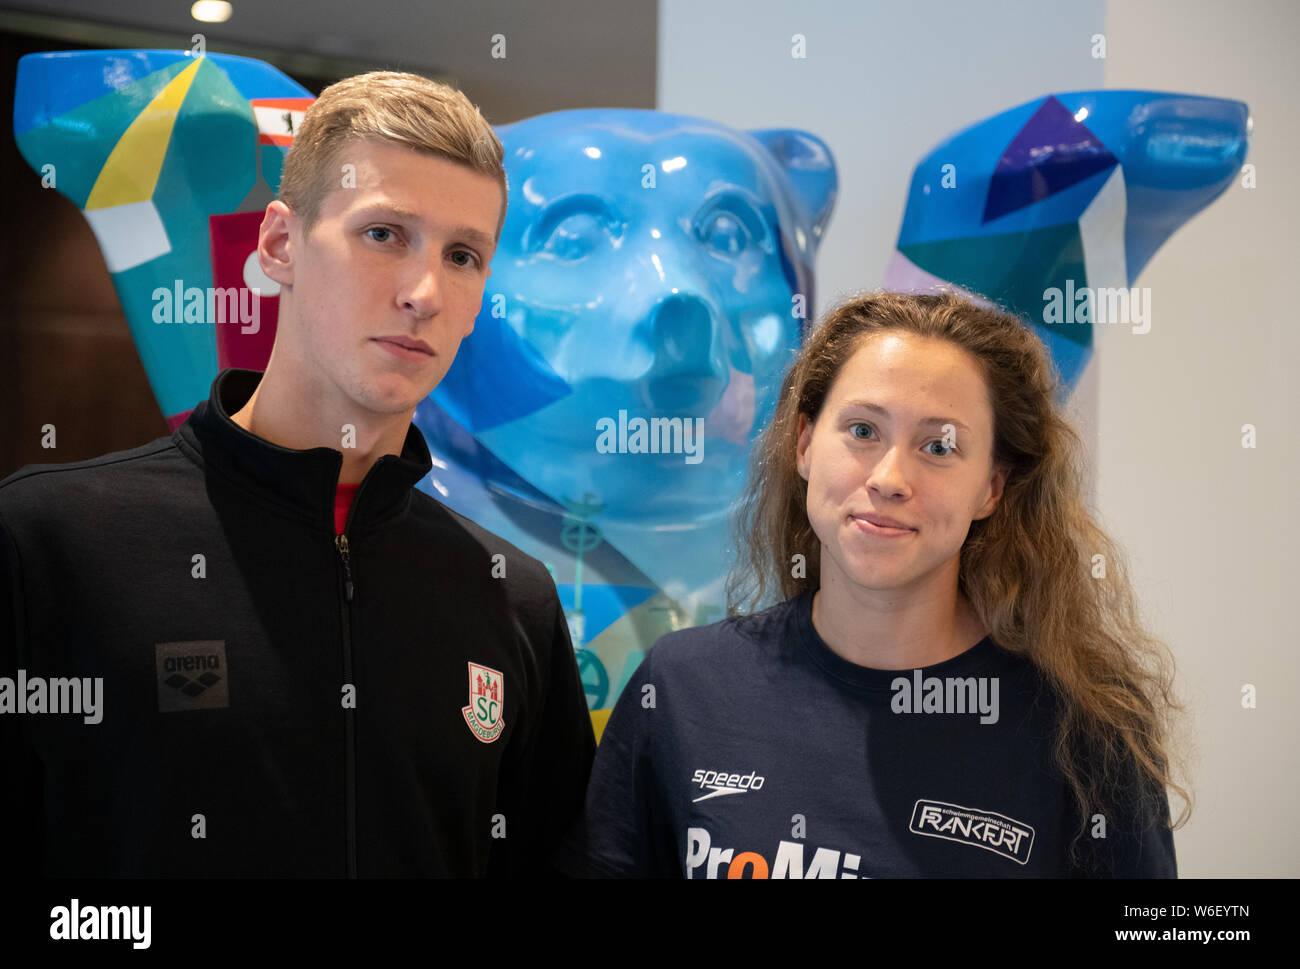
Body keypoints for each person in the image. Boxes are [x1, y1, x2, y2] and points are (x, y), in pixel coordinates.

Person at [0, 71, 595, 877]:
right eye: (383, 233)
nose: (424, 292)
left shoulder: (510, 595)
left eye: (462, 255)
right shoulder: (52, 541)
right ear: (279, 244)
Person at [564, 290, 1187, 878]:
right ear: (805, 445)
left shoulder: (1085, 732)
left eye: (939, 446)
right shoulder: (680, 688)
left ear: (991, 488)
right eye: (862, 431)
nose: (890, 477)